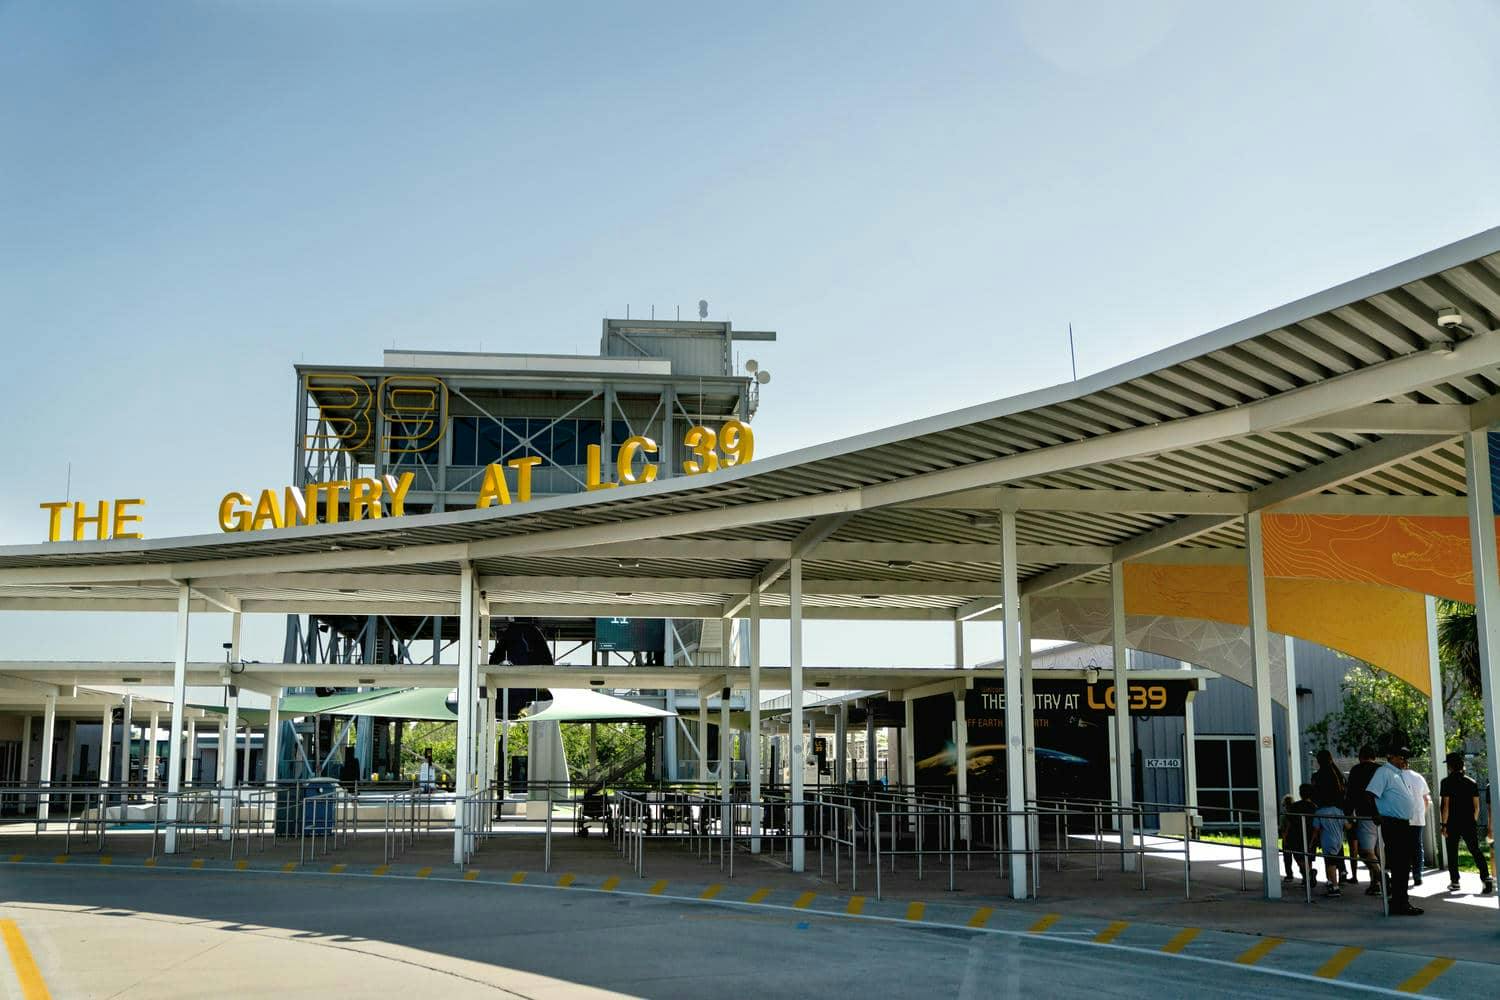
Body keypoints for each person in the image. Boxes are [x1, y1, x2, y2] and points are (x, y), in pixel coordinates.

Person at [1364, 744, 1420, 915]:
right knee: (1399, 863)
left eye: (1406, 758)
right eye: (1401, 757)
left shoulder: (1397, 774)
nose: (1404, 761)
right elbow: (1370, 794)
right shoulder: (1384, 772)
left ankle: (1401, 900)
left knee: (1404, 864)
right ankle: (1399, 902)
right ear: (1391, 757)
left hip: (1403, 824)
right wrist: (1375, 814)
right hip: (1393, 824)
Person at [1439, 751, 1494, 894]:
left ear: (1450, 767)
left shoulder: (1446, 782)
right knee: (1475, 850)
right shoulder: (1471, 782)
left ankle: (1455, 881)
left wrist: (1444, 824)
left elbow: (1445, 805)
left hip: (1452, 822)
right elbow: (1476, 806)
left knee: (1452, 851)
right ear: (1462, 765)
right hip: (1468, 822)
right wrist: (1473, 821)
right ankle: (1486, 877)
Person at [1311, 749, 1349, 894]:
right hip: (1338, 813)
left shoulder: (1317, 777)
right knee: (1337, 844)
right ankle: (1342, 871)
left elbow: (1315, 794)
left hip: (1323, 812)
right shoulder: (1338, 776)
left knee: (1328, 853)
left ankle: (1333, 884)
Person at [1345, 745, 1381, 892]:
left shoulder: (1356, 771)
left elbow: (1351, 794)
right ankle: (1375, 884)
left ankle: (1381, 877)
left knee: (1365, 851)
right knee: (1377, 851)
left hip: (1365, 814)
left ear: (1360, 757)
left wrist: (1348, 814)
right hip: (1383, 814)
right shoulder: (1382, 770)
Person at [1398, 754, 1431, 886]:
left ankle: (1404, 874)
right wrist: (1423, 813)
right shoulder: (1419, 777)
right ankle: (1418, 875)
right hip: (1417, 817)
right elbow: (1426, 799)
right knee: (1417, 846)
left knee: (1403, 847)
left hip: (1402, 818)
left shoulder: (1397, 777)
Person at [1285, 784, 1319, 887]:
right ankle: (1308, 876)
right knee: (1308, 858)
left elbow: (1289, 823)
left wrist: (1285, 836)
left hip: (1295, 835)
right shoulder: (1315, 807)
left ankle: (1308, 875)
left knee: (1299, 858)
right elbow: (1316, 826)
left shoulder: (1294, 806)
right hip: (1310, 835)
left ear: (1300, 793)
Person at [1278, 794, 1298, 883]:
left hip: (1288, 838)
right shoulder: (1296, 814)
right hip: (1296, 838)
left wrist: (1284, 839)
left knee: (1287, 858)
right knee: (1298, 857)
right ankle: (1305, 874)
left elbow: (1283, 830)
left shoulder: (1284, 816)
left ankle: (1289, 875)